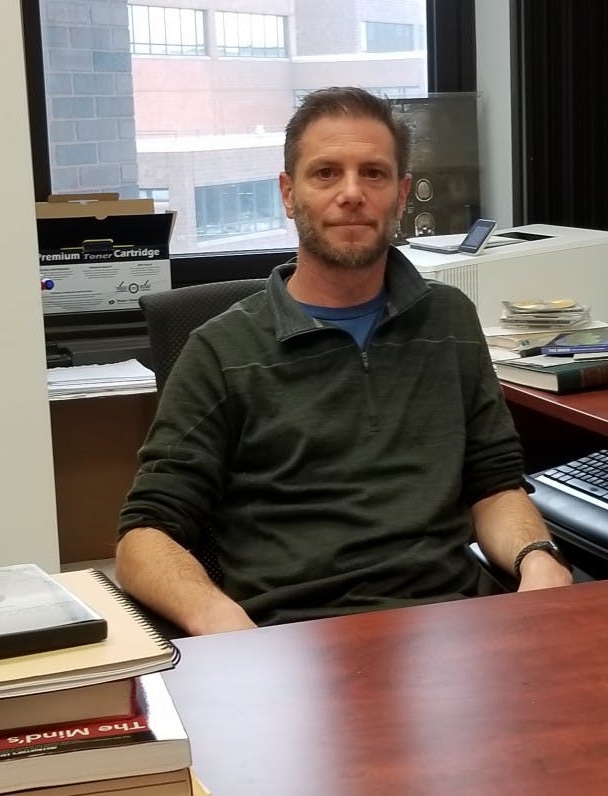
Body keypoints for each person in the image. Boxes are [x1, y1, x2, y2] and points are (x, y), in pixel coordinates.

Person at [115, 87, 572, 634]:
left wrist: (538, 560)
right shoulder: (222, 351)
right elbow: (145, 536)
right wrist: (219, 618)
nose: (351, 194)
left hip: (448, 633)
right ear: (289, 193)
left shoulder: (449, 323)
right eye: (326, 173)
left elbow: (494, 486)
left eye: (373, 174)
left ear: (401, 195)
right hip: (294, 640)